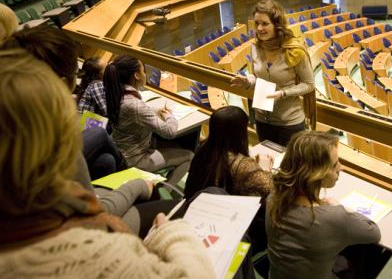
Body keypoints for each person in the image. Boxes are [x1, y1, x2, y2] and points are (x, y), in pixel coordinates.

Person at [0, 49, 215, 278]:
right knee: (187, 156)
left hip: (124, 152)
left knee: (105, 161)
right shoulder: (104, 255)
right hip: (138, 158)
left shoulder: (113, 93)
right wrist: (170, 232)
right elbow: (170, 131)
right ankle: (172, 190)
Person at [266, 131, 390, 279]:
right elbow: (374, 233)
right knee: (371, 251)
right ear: (316, 174)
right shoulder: (334, 216)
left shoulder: (273, 198)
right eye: (334, 164)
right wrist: (339, 207)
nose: (341, 168)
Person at [231, 0, 315, 146]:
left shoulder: (295, 51)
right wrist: (248, 81)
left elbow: (309, 85)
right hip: (262, 119)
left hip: (289, 122)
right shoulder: (255, 48)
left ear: (277, 25)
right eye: (257, 23)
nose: (259, 28)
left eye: (265, 23)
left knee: (288, 166)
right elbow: (255, 77)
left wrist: (282, 93)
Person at [103, 54, 193, 185]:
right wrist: (169, 116)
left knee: (173, 146)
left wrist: (154, 111)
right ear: (136, 75)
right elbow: (169, 132)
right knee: (189, 156)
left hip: (120, 151)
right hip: (135, 159)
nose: (145, 75)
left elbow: (134, 113)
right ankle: (162, 191)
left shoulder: (116, 93)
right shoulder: (134, 104)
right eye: (143, 70)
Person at [184, 106, 273, 201]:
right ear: (240, 132)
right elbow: (270, 191)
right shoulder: (243, 165)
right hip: (225, 211)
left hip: (194, 204)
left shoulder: (203, 147)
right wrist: (266, 169)